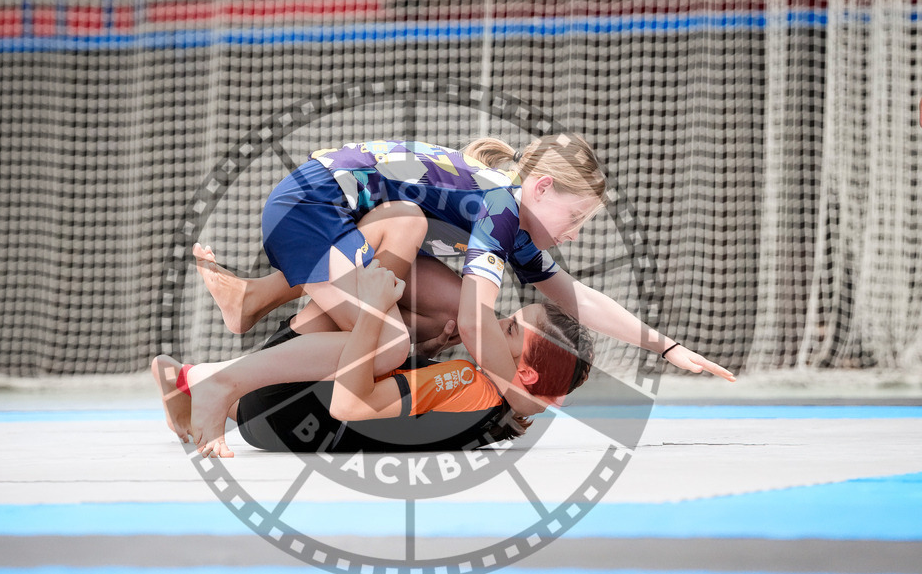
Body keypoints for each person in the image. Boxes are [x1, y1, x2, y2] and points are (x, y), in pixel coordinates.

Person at [192, 135, 735, 445]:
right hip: (312, 208)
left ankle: (252, 302)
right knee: (388, 342)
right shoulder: (501, 207)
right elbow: (477, 321)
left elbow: (576, 297)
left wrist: (665, 346)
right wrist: (512, 395)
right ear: (542, 188)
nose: (573, 234)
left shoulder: (509, 217)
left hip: (340, 211)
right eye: (575, 219)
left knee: (422, 274)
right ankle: (223, 385)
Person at [153, 262, 594, 458]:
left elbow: (349, 405)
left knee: (379, 286)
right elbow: (406, 419)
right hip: (274, 425)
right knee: (396, 335)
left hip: (286, 409)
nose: (496, 323)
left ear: (526, 371)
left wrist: (374, 309)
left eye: (511, 329)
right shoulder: (493, 414)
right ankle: (187, 379)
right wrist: (426, 356)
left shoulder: (466, 382)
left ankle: (230, 350)